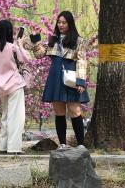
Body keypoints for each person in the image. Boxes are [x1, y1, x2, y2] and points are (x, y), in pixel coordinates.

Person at [32, 11, 90, 150]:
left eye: (64, 22)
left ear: (70, 24)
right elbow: (39, 54)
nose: (61, 25)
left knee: (75, 111)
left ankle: (81, 144)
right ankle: (62, 144)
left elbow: (82, 61)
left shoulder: (79, 41)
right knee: (59, 112)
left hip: (71, 78)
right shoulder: (53, 39)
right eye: (59, 22)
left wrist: (81, 81)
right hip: (55, 77)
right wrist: (36, 39)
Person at [0, 19, 30, 155]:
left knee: (5, 116)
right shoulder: (11, 47)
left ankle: (4, 146)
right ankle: (14, 148)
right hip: (15, 85)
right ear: (9, 32)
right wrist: (20, 44)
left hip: (1, 87)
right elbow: (26, 59)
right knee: (16, 117)